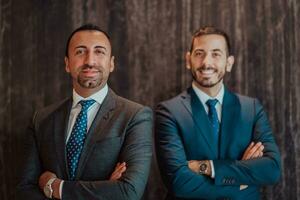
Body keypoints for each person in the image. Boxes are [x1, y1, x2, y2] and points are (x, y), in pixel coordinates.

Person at [17, 24, 153, 200]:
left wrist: (55, 187)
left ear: (111, 63)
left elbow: (128, 192)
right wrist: (105, 189)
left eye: (99, 52)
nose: (90, 61)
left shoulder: (135, 116)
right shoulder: (41, 119)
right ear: (67, 64)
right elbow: (25, 190)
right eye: (80, 52)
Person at [155, 26, 281, 199]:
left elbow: (272, 169)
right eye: (199, 53)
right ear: (188, 60)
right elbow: (179, 181)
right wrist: (241, 180)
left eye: (216, 54)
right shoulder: (168, 111)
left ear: (229, 63)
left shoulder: (251, 109)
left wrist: (207, 167)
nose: (207, 62)